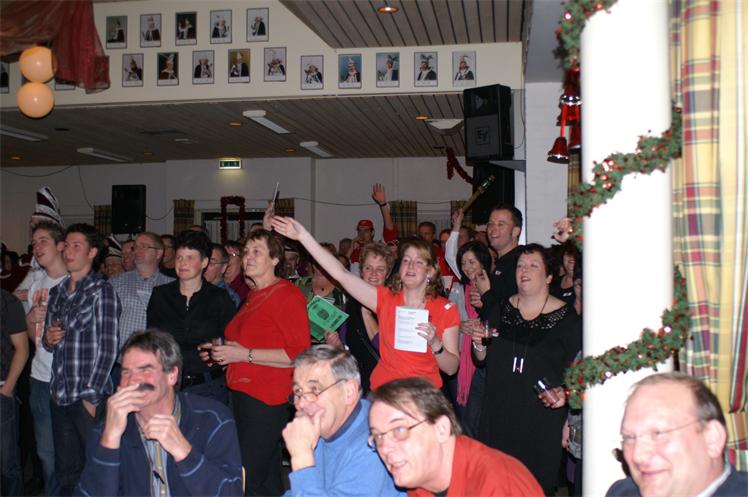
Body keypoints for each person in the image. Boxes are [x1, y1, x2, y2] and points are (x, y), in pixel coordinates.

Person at [273, 216, 460, 391]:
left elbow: (451, 368)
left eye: (418, 262)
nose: (410, 266)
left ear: (430, 271)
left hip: (422, 396)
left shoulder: (445, 309)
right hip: (384, 393)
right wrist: (303, 236)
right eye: (406, 260)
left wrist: (435, 343)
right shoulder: (385, 299)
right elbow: (341, 274)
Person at [465, 243, 581, 495]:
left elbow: (579, 372)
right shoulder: (500, 308)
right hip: (497, 415)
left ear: (549, 276)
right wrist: (479, 345)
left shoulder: (567, 319)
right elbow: (481, 359)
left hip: (540, 420)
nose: (524, 271)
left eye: (533, 266)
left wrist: (568, 407)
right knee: (494, 485)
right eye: (520, 266)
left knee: (533, 487)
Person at [204, 229, 310, 496]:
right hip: (242, 396)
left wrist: (243, 355)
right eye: (246, 252)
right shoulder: (254, 295)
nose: (248, 257)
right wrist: (222, 354)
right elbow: (248, 343)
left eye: (257, 252)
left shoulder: (287, 295)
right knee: (266, 481)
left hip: (266, 400)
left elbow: (298, 354)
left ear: (275, 259)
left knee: (246, 478)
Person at [75, 330, 243, 497]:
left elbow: (230, 493)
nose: (132, 381)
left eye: (144, 370)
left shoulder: (212, 419)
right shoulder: (110, 427)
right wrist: (109, 441)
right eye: (126, 372)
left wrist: (183, 451)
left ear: (172, 375)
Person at [43, 223, 121, 496]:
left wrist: (91, 395)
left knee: (97, 470)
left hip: (87, 396)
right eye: (66, 245)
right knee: (67, 473)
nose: (68, 251)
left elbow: (109, 347)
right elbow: (48, 344)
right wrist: (48, 339)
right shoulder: (57, 292)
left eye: (77, 246)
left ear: (92, 252)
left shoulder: (102, 291)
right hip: (59, 394)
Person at [368, 377, 544, 496]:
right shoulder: (420, 481)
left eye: (399, 430)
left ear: (441, 429)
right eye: (378, 437)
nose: (385, 448)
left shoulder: (498, 485)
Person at [282, 345, 403, 497]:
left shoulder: (373, 446)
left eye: (315, 389)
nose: (301, 403)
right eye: (298, 391)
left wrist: (301, 458)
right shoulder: (323, 424)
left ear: (349, 392)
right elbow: (299, 490)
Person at [606, 372, 748, 497]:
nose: (638, 456)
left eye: (658, 434)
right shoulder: (622, 493)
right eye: (629, 437)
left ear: (712, 439)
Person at [147, 231, 235, 405]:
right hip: (167, 384)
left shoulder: (219, 297)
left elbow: (232, 339)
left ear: (204, 262)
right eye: (179, 257)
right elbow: (151, 339)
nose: (182, 263)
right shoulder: (160, 295)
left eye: (189, 258)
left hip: (207, 385)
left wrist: (218, 351)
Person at [23, 222, 68, 496]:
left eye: (43, 241)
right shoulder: (36, 287)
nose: (37, 248)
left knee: (71, 450)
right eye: (34, 243)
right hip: (40, 378)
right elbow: (35, 340)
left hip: (69, 379)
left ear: (60, 246)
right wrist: (30, 320)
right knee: (46, 452)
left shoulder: (75, 283)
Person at [109, 232, 173, 381]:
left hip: (158, 368)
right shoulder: (115, 283)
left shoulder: (172, 286)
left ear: (159, 253)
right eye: (135, 247)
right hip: (121, 367)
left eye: (144, 246)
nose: (137, 251)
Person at [344, 242, 394, 393]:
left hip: (386, 384)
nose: (373, 274)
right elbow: (345, 345)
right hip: (356, 381)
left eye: (380, 269)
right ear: (361, 271)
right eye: (368, 268)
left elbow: (390, 351)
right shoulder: (350, 304)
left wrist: (367, 315)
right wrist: (335, 343)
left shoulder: (395, 304)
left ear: (388, 273)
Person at [472, 204, 524, 317]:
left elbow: (516, 313)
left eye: (500, 224)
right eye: (490, 224)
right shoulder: (500, 263)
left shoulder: (521, 263)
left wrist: (486, 294)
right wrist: (481, 303)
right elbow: (495, 310)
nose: (493, 230)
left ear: (515, 231)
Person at [1, 290, 30, 497]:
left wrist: (7, 389)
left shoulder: (7, 301)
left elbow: (22, 349)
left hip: (1, 391)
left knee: (7, 465)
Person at [203, 243, 241, 307]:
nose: (205, 266)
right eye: (204, 261)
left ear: (223, 268)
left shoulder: (229, 298)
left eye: (211, 263)